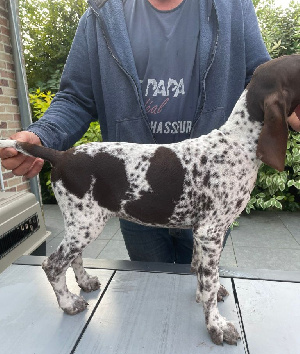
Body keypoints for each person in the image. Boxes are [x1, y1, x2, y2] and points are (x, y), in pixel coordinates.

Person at [1, 0, 299, 264]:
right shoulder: (100, 15)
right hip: (132, 186)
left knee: (201, 277)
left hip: (212, 183)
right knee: (148, 292)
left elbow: (263, 82)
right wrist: (43, 135)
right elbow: (76, 98)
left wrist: (292, 109)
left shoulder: (234, 7)